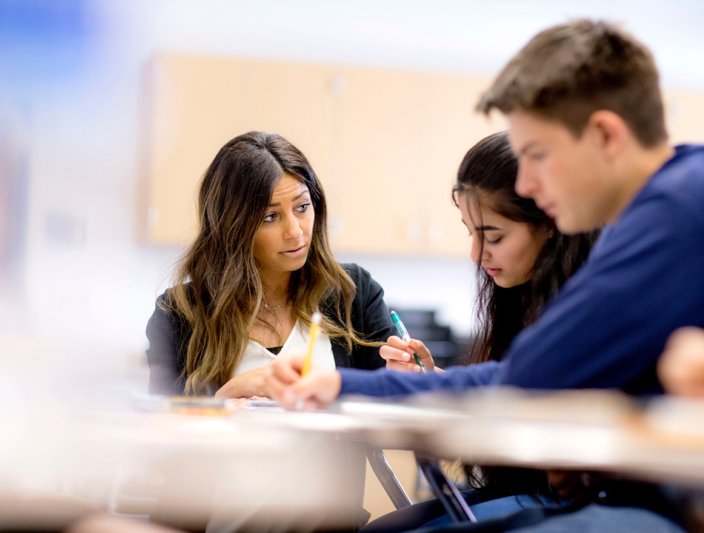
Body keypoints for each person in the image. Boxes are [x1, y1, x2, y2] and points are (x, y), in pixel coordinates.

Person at [267, 19, 701, 531]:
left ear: (606, 134)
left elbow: (524, 380)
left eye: (538, 155)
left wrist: (343, 385)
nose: (526, 182)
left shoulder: (672, 215)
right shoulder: (674, 196)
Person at [365, 133, 597, 531]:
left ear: (550, 223)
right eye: (470, 232)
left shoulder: (589, 306)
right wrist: (434, 381)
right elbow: (510, 393)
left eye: (493, 236)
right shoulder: (520, 297)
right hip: (519, 485)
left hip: (570, 500)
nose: (476, 253)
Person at [146, 130, 395, 398]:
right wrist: (224, 398)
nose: (295, 232)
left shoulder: (353, 292)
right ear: (232, 226)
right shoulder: (177, 315)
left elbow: (393, 401)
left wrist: (408, 379)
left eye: (302, 207)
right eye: (270, 216)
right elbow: (161, 427)